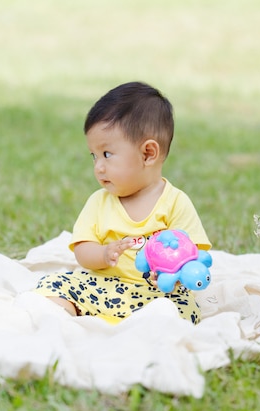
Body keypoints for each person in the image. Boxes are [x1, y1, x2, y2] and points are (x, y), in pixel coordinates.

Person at [33, 81, 211, 324]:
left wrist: (175, 275)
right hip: (104, 286)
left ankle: (141, 325)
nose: (98, 167)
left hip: (156, 294)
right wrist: (104, 254)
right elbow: (83, 251)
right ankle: (70, 318)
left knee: (182, 310)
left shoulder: (175, 202)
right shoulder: (99, 202)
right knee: (53, 285)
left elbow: (194, 254)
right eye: (93, 156)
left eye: (107, 154)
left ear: (148, 153)